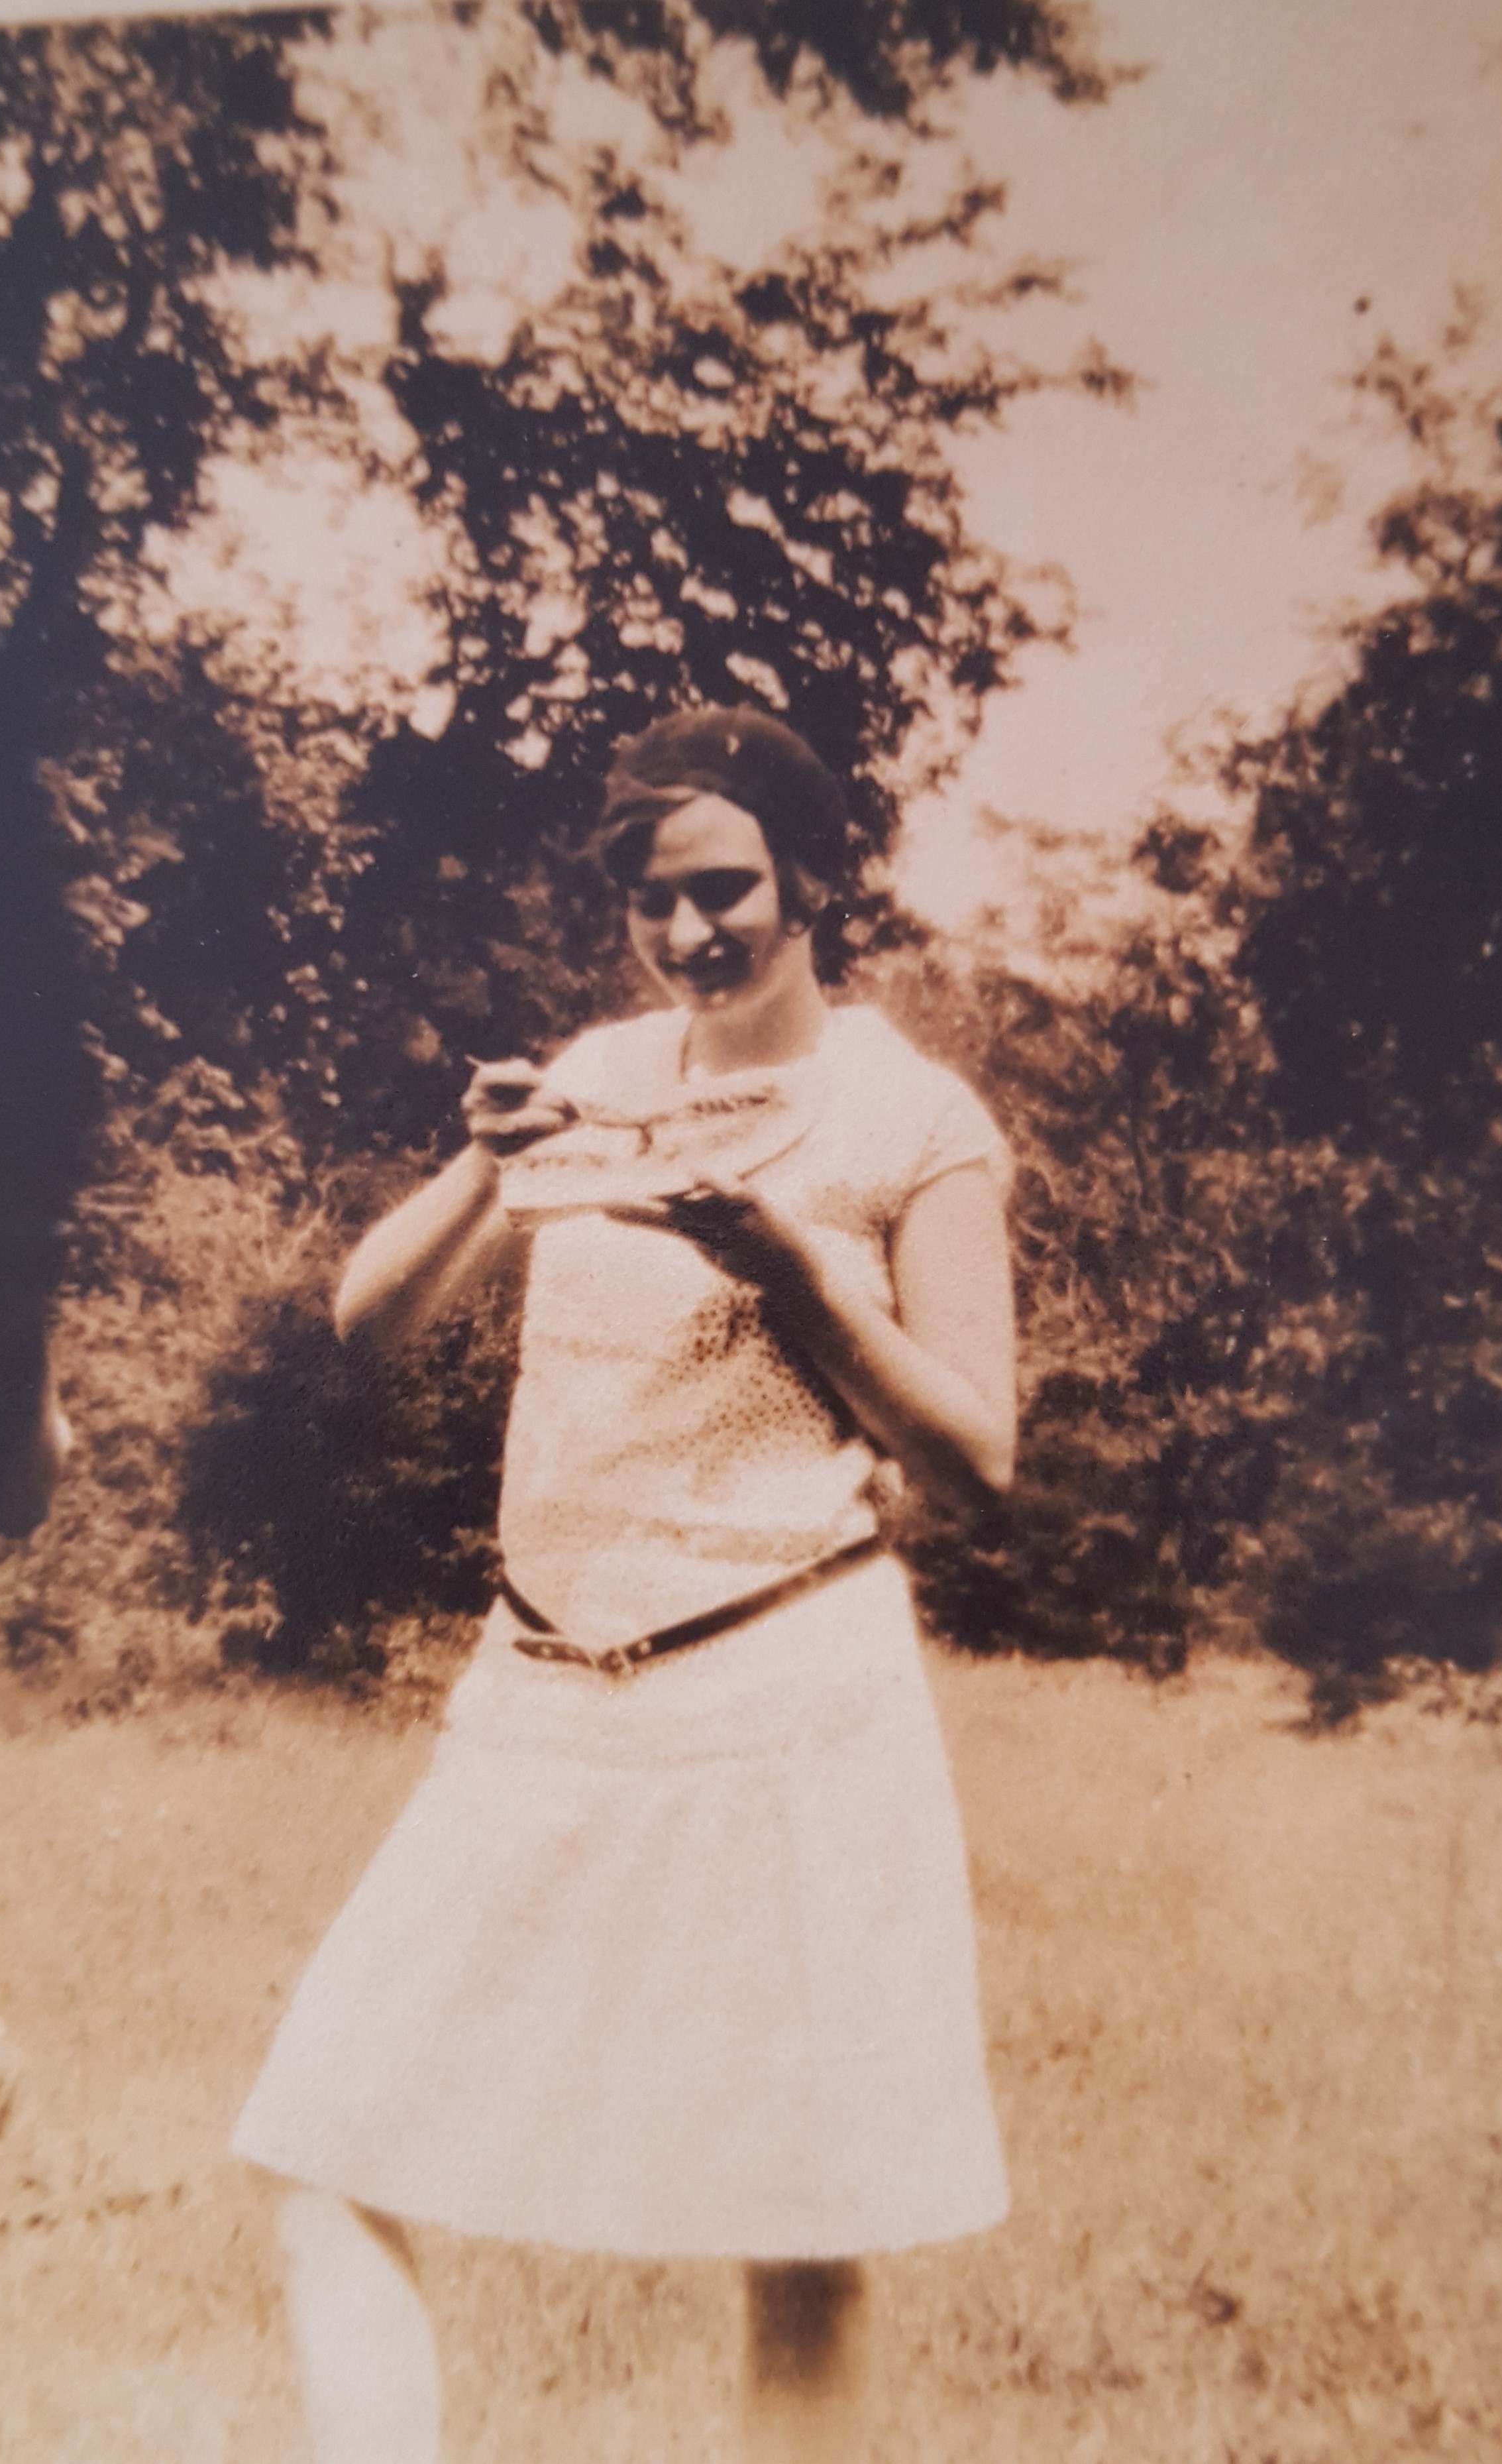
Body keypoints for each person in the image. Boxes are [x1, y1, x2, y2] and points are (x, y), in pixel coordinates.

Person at [234, 707, 1017, 2463]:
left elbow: (978, 1459)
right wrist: (485, 1158)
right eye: (651, 900)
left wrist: (800, 1279)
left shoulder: (913, 1121)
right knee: (317, 2139)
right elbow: (368, 1322)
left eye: (723, 888)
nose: (686, 932)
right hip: (540, 1697)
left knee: (800, 2229)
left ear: (809, 879)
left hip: (786, 1703)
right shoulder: (595, 1073)